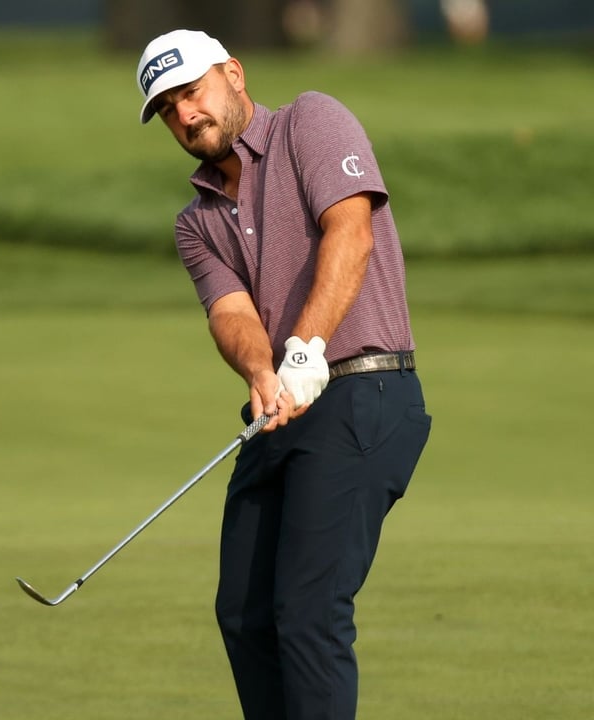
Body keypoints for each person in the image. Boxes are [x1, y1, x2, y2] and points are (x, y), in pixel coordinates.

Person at [135, 29, 432, 720]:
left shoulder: (311, 121)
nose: (185, 114)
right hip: (283, 408)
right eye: (168, 107)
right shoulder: (197, 221)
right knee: (243, 612)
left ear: (233, 75)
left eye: (193, 91)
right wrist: (264, 369)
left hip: (367, 389)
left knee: (307, 611)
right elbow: (230, 313)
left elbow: (350, 231)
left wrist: (306, 349)